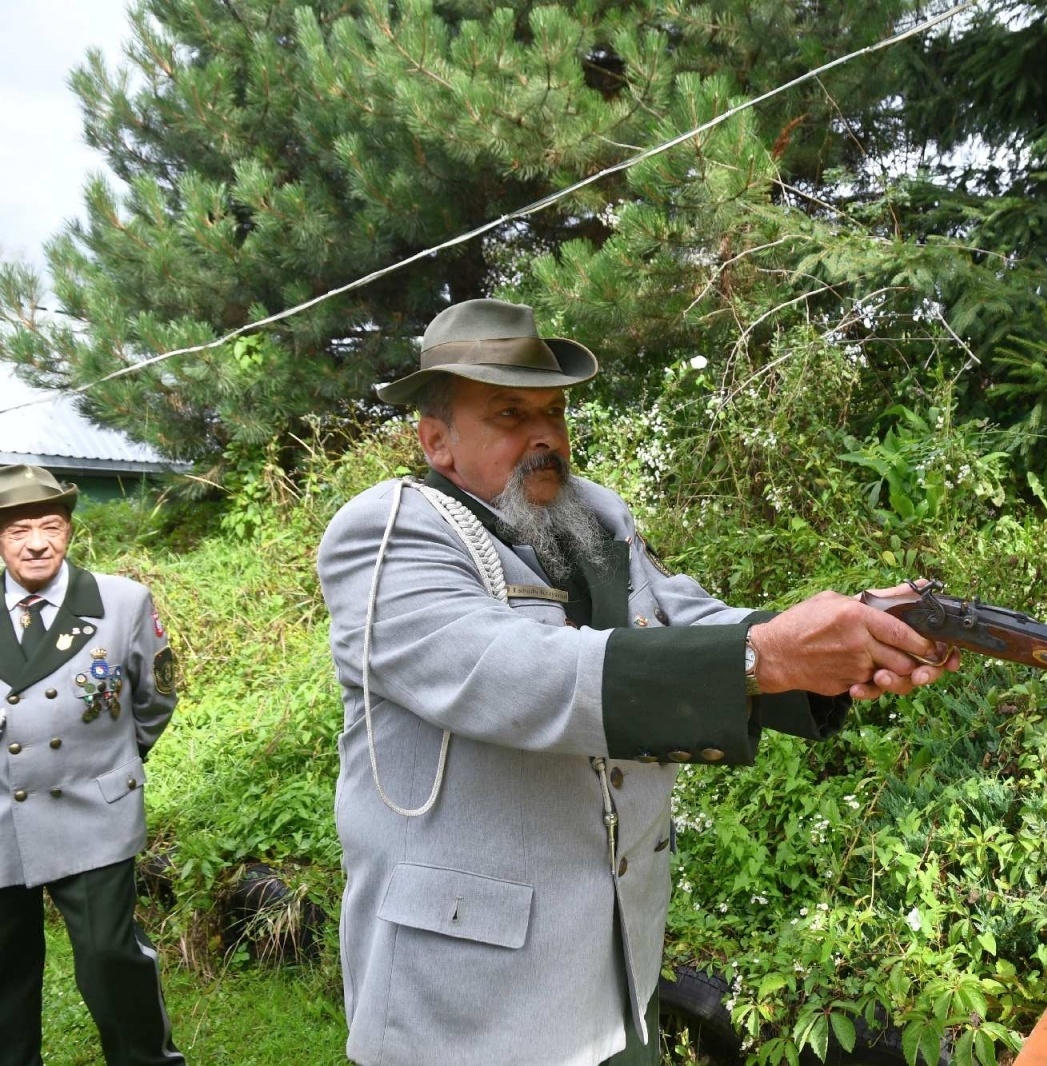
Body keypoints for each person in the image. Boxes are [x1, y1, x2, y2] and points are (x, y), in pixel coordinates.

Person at [317, 298, 957, 1065]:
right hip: (470, 1002)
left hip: (614, 963)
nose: (544, 435)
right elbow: (517, 675)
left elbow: (689, 618)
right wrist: (767, 656)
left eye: (553, 410)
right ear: (437, 442)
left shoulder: (592, 516)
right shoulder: (388, 534)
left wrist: (856, 634)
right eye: (510, 414)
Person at [0, 465, 184, 1066]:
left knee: (111, 959)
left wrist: (112, 765)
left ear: (70, 531)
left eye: (50, 526)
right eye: (19, 529)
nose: (36, 542)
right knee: (4, 972)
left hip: (90, 807)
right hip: (2, 814)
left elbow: (155, 696)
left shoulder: (121, 602)